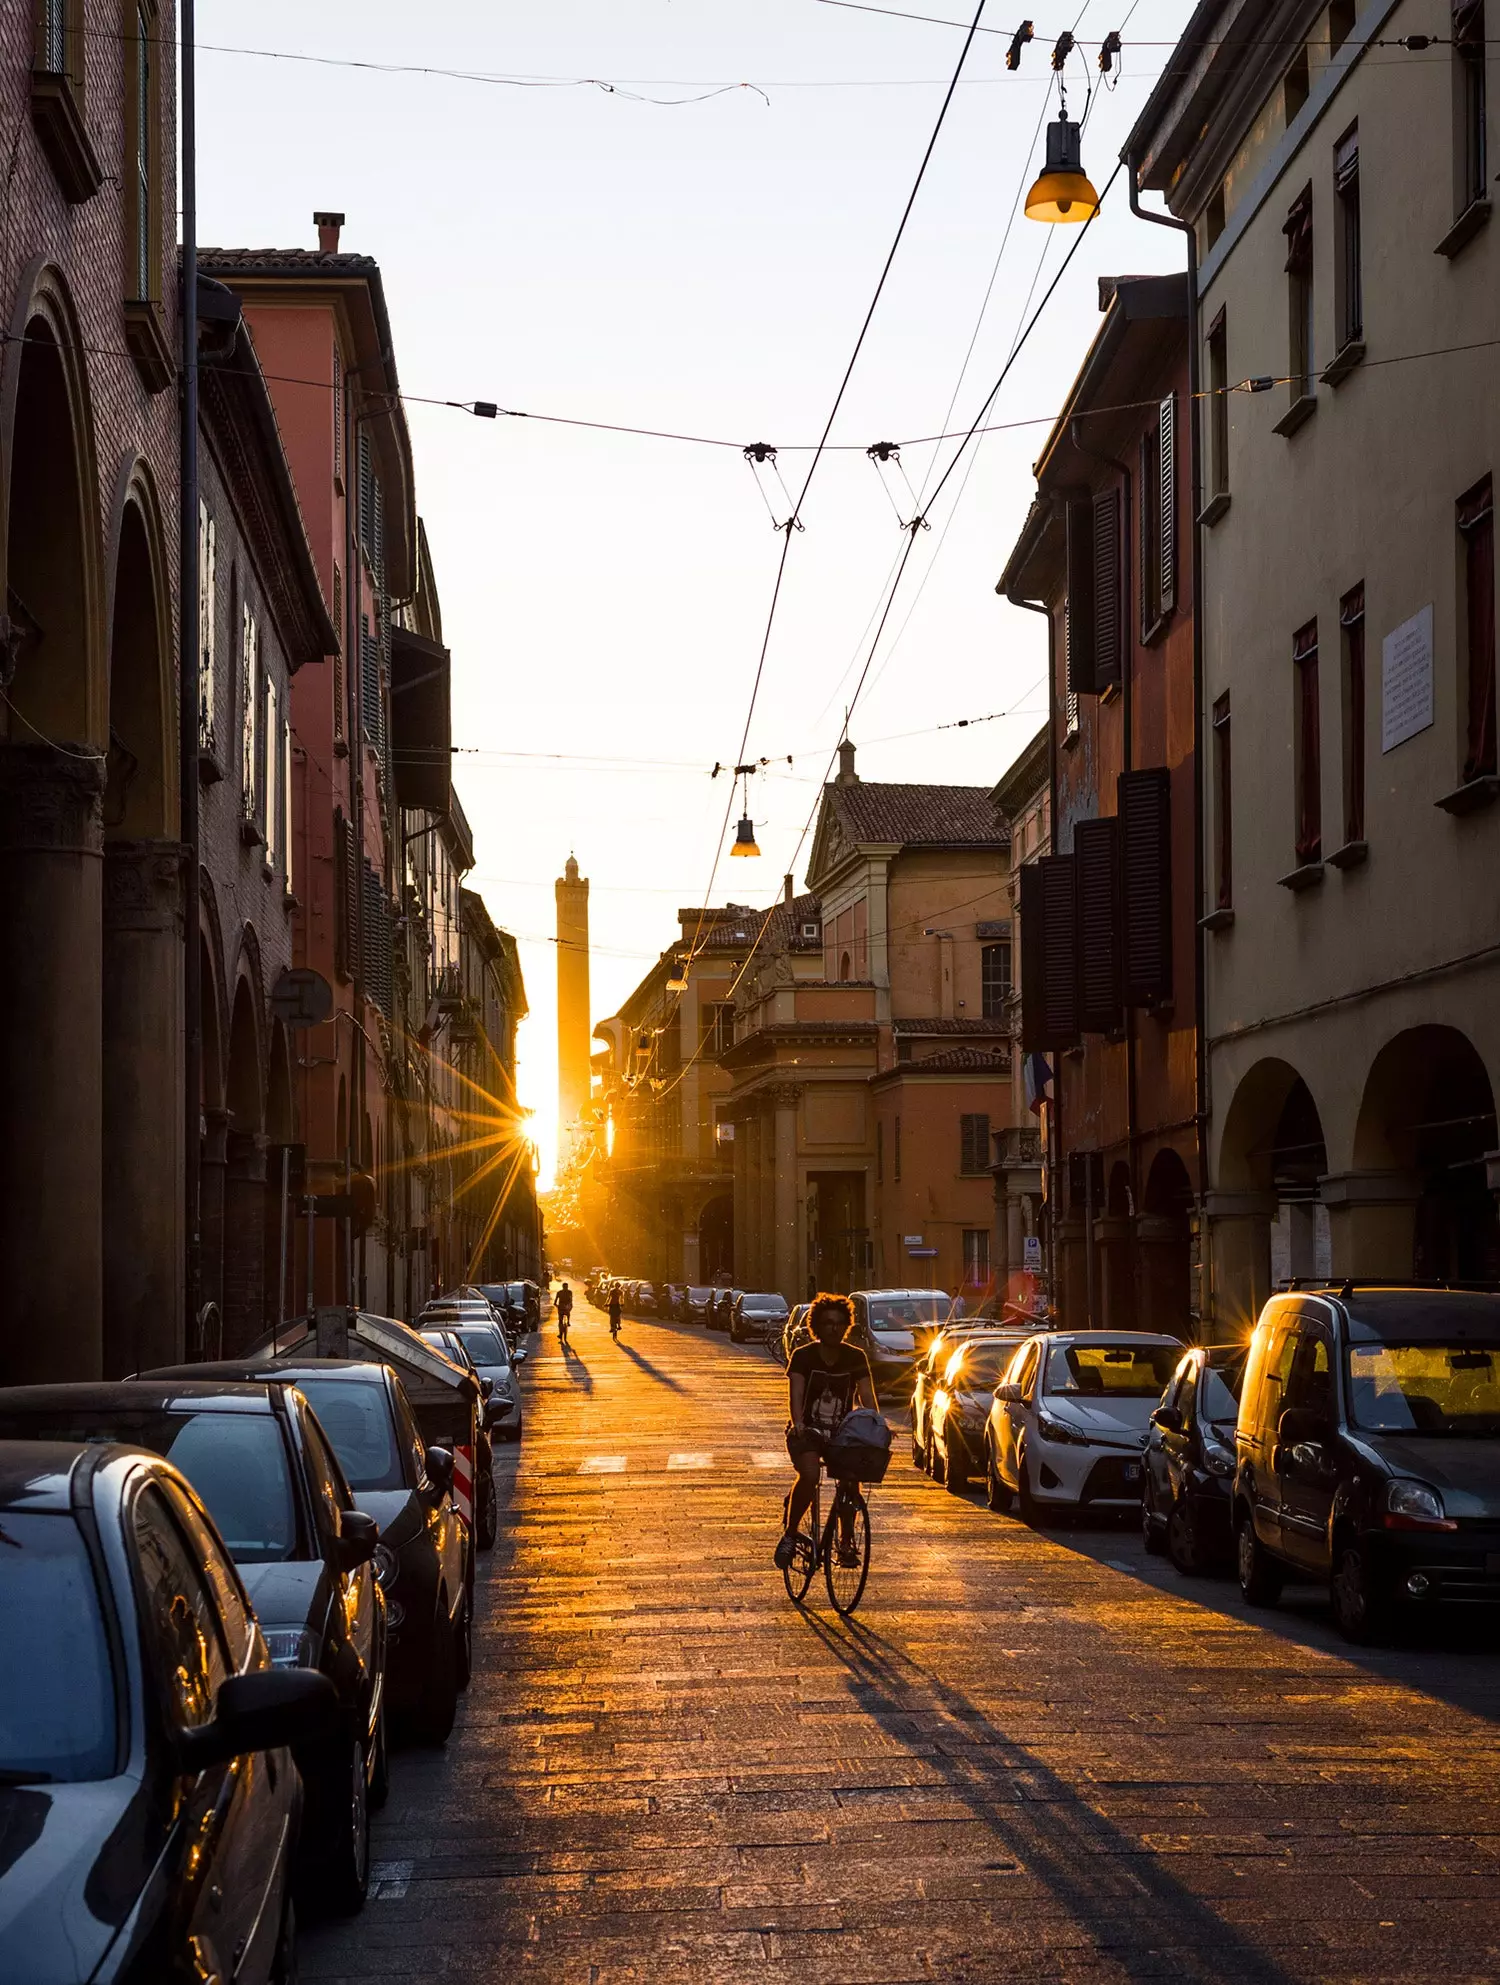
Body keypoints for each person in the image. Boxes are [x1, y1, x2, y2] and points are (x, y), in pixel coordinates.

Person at [774, 1293, 878, 1570]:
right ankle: (791, 1532)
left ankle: (845, 1542)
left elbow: (867, 1397)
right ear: (816, 1327)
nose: (833, 1328)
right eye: (827, 1323)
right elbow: (795, 1394)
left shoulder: (856, 1357)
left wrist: (876, 1426)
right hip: (807, 1432)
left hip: (842, 1435)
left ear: (847, 1327)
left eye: (839, 1323)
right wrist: (798, 1424)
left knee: (850, 1481)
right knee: (809, 1474)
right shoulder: (803, 1356)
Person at [556, 1280, 573, 1346]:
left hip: (562, 1307)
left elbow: (555, 1301)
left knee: (560, 1321)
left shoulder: (559, 1292)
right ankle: (568, 1322)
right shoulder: (569, 1292)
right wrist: (570, 1304)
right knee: (567, 1313)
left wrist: (556, 1305)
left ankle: (560, 1334)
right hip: (566, 1306)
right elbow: (571, 1299)